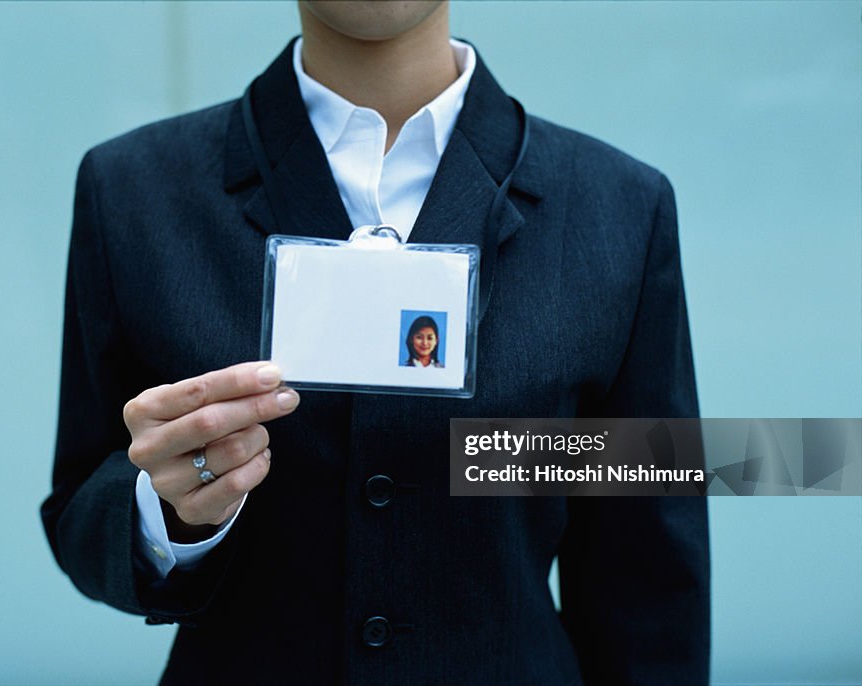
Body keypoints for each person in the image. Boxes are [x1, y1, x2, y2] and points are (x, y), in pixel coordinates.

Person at [41, 2, 710, 684]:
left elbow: (649, 586)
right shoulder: (130, 190)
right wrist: (168, 513)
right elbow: (79, 513)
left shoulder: (621, 209)